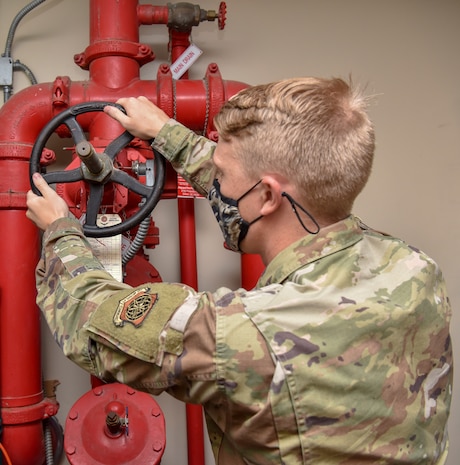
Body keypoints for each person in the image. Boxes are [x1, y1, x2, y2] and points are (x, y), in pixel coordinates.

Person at [26, 77, 452, 465]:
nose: (220, 186)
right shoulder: (416, 271)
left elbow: (88, 319)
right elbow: (257, 183)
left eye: (225, 173)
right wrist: (166, 133)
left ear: (267, 196)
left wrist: (60, 230)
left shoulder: (244, 335)